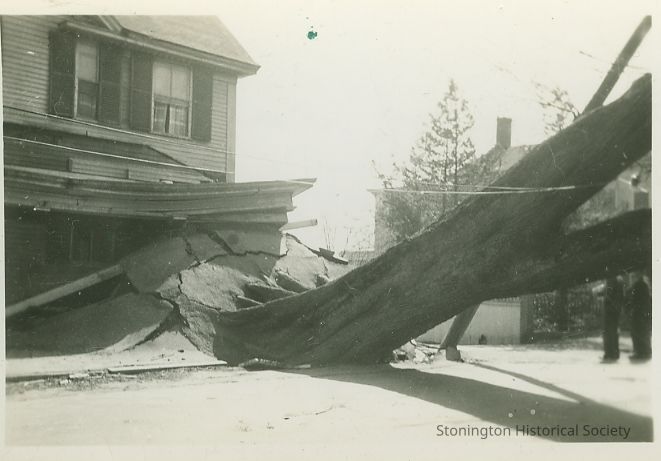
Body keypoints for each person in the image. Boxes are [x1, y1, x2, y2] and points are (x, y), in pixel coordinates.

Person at [628, 270, 652, 361]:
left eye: (633, 276)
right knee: (644, 333)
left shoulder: (638, 285)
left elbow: (635, 300)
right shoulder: (644, 285)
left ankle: (640, 352)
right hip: (644, 313)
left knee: (638, 332)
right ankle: (645, 352)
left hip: (639, 313)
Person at [602, 275, 625, 362]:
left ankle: (610, 353)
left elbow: (609, 294)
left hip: (610, 310)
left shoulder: (611, 279)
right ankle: (614, 353)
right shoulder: (620, 279)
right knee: (614, 332)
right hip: (616, 309)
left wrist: (605, 300)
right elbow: (621, 296)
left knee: (609, 332)